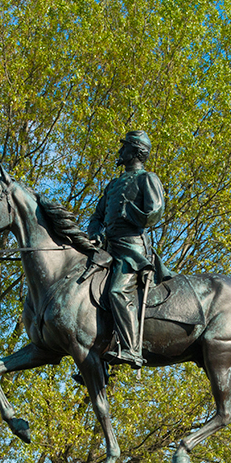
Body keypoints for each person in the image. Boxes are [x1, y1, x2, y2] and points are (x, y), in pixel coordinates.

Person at [87, 130, 170, 367]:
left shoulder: (147, 179)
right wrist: (95, 232)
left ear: (134, 151)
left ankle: (132, 349)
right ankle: (97, 354)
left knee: (117, 292)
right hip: (108, 247)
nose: (119, 152)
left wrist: (132, 212)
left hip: (131, 249)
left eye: (124, 148)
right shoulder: (113, 185)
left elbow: (154, 211)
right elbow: (97, 216)